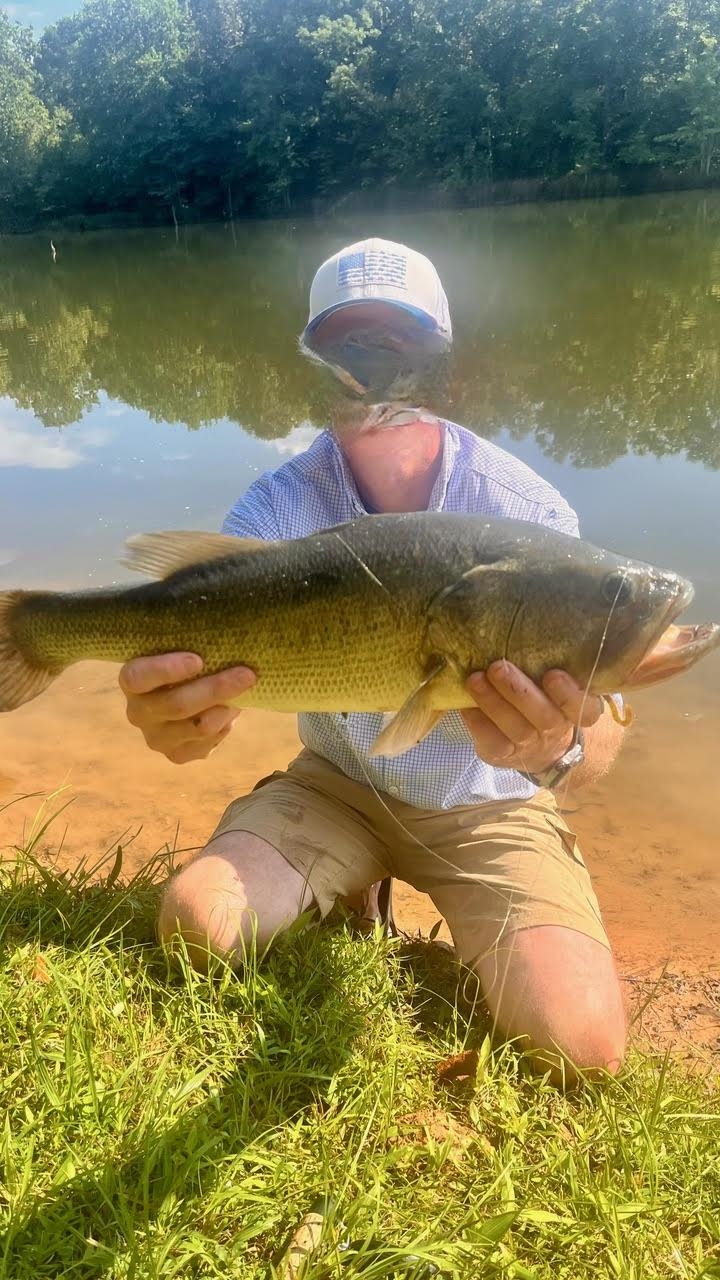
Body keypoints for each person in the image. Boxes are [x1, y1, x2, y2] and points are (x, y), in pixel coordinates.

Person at [119, 238, 627, 1082]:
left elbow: (605, 717)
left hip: (487, 806)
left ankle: (398, 902)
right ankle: (351, 889)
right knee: (198, 928)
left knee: (581, 1052)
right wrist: (176, 722)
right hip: (336, 783)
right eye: (345, 347)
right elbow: (193, 671)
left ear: (444, 365)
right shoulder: (277, 506)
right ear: (310, 364)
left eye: (399, 348)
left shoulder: (525, 513)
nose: (369, 372)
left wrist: (559, 751)